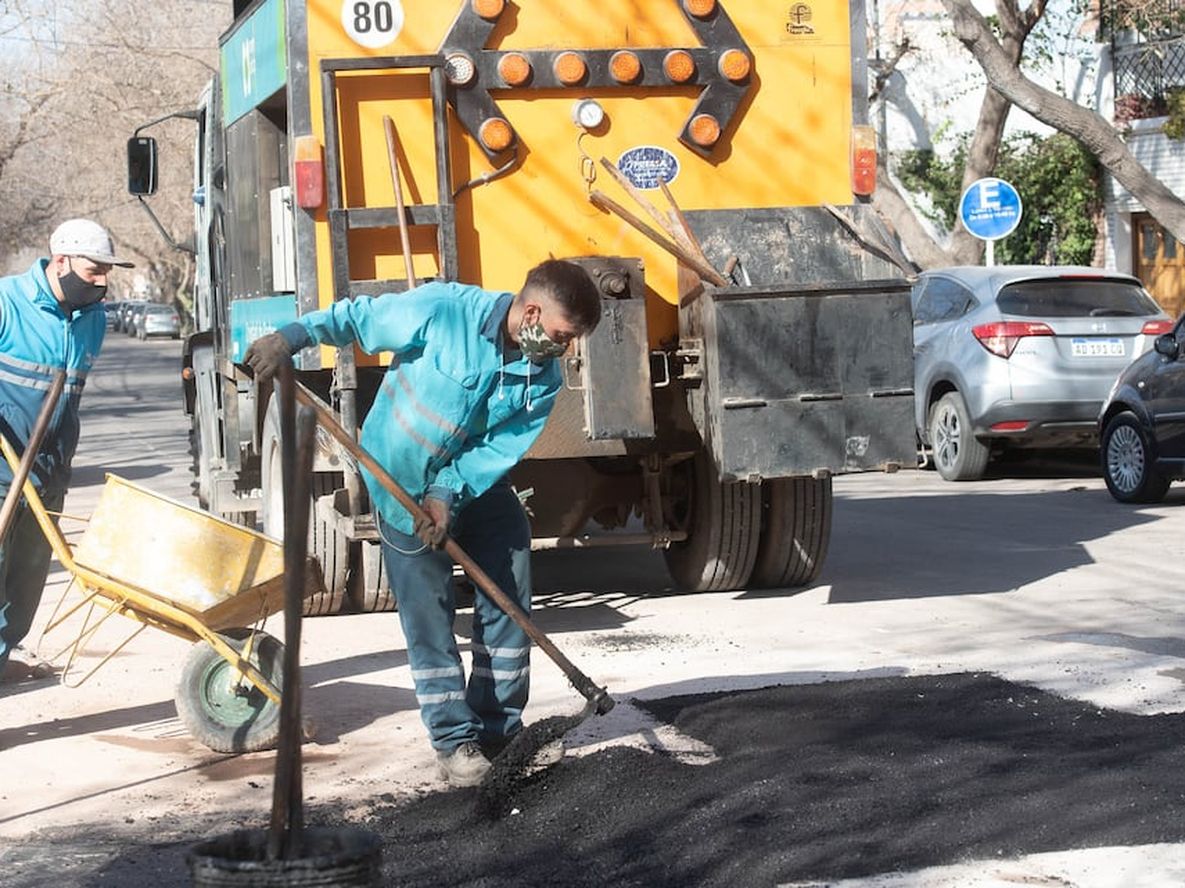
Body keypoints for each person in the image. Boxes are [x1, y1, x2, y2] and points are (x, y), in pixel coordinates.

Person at [246, 259, 601, 786]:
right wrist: (293, 337)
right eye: (561, 336)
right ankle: (455, 742)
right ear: (531, 313)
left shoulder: (542, 377)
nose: (563, 349)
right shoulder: (445, 311)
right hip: (401, 485)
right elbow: (359, 319)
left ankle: (500, 730)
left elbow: (497, 449)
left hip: (475, 485)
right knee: (429, 618)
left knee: (508, 586)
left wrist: (447, 494)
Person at [0, 219, 134, 680]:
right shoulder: (7, 302)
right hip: (3, 468)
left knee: (28, 577)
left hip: (50, 471)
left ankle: (3, 654)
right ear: (61, 261)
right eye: (94, 270)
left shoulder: (92, 319)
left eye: (106, 272)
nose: (101, 281)